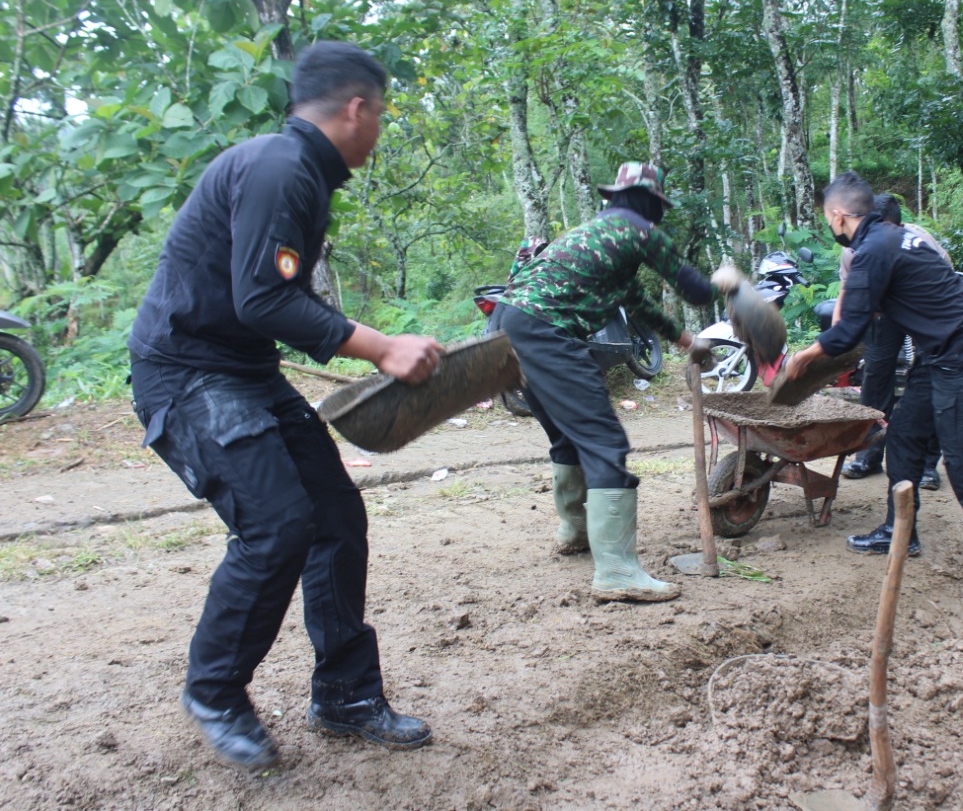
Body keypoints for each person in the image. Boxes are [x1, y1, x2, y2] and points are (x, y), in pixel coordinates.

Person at [128, 41, 441, 773]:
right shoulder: (278, 166)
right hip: (187, 373)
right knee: (277, 524)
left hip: (242, 369)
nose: (381, 128)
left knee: (334, 515)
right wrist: (381, 346)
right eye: (382, 113)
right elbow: (261, 297)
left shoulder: (300, 174)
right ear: (356, 107)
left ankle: (345, 693)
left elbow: (274, 298)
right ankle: (214, 690)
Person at [787, 172, 963, 621]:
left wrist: (803, 358)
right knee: (905, 437)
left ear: (837, 215)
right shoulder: (892, 236)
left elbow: (850, 332)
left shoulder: (872, 249)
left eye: (825, 218)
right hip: (942, 351)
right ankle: (900, 531)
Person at [494, 162, 718, 603]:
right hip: (547, 331)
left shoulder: (594, 240)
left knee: (566, 433)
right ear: (651, 203)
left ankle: (574, 531)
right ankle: (616, 571)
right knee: (604, 442)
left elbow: (637, 302)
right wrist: (725, 284)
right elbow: (696, 290)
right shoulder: (639, 229)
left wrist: (688, 341)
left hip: (508, 326)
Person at [837, 194, 946, 491]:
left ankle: (925, 463)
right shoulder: (854, 250)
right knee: (875, 376)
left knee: (928, 383)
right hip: (883, 313)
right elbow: (850, 295)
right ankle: (869, 454)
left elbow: (942, 289)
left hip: (925, 310)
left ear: (896, 225)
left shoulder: (922, 242)